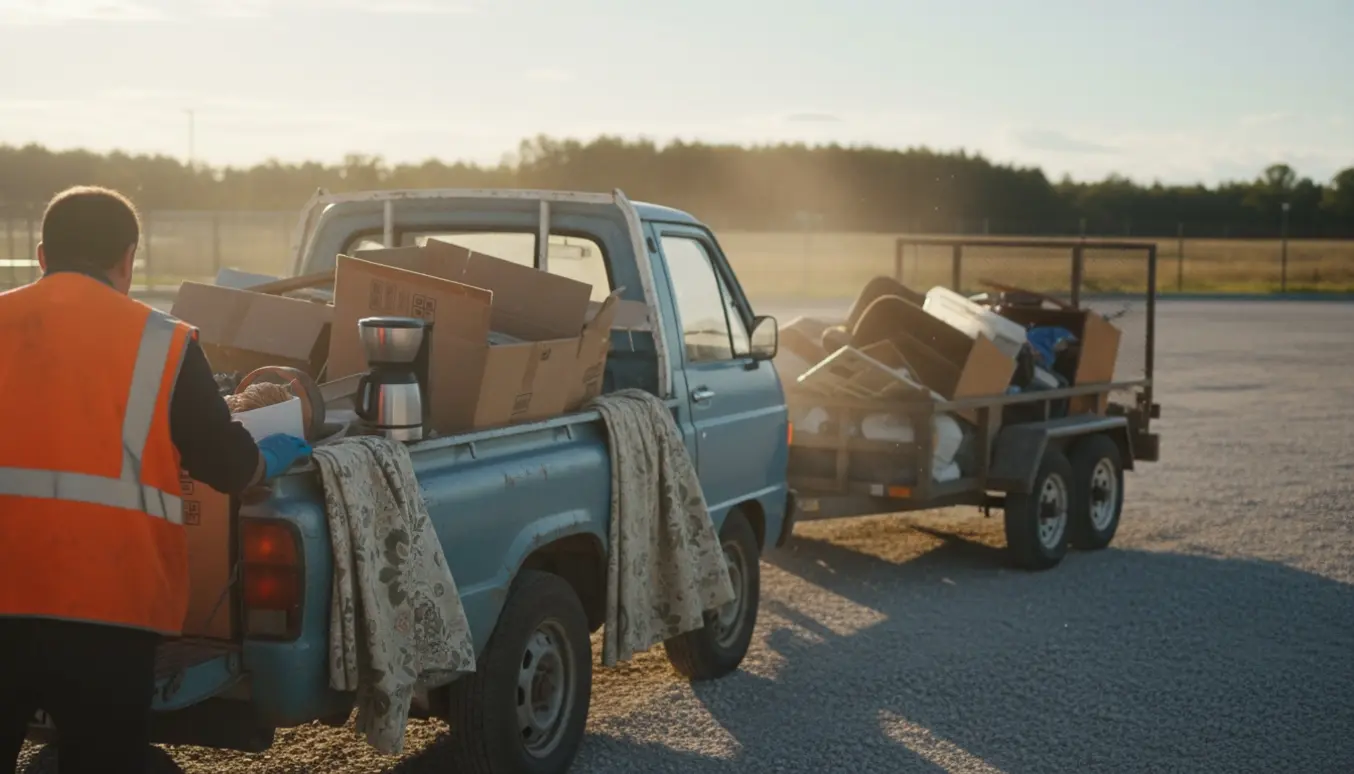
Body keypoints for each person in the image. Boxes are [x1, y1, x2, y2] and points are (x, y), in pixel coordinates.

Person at [0, 186, 313, 773]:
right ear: (128, 260)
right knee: (102, 761)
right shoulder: (160, 341)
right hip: (106, 606)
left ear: (42, 256)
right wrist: (268, 455)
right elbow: (226, 466)